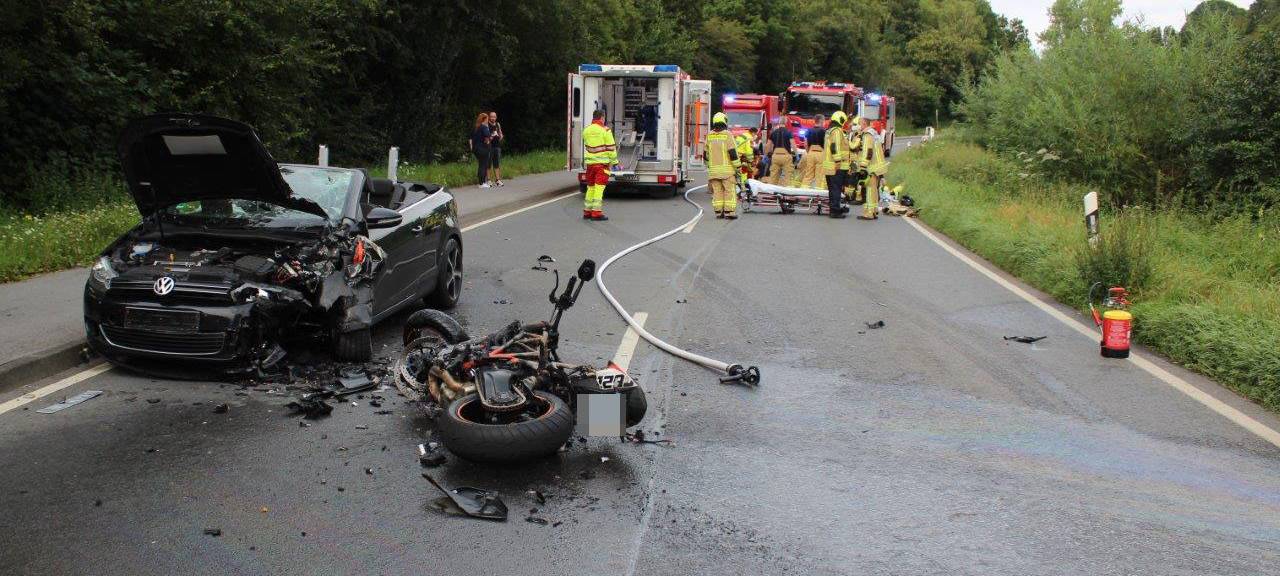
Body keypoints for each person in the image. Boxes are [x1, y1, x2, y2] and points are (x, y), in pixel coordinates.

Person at [581, 110, 617, 221]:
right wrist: (615, 162)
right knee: (599, 188)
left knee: (590, 188)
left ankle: (587, 212)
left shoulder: (586, 130)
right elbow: (611, 148)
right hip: (601, 165)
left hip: (590, 165)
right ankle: (596, 213)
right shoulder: (605, 130)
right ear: (602, 117)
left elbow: (587, 145)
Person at [705, 112, 739, 219]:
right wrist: (738, 167)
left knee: (717, 192)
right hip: (727, 172)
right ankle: (729, 212)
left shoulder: (709, 136)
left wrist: (709, 166)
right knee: (729, 191)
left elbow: (705, 155)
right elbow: (732, 153)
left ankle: (719, 212)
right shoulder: (727, 135)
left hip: (714, 172)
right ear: (724, 121)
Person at [855, 116, 888, 220]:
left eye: (860, 124)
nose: (859, 126)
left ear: (864, 124)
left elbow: (867, 151)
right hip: (877, 166)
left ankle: (868, 213)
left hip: (870, 167)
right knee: (873, 190)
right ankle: (873, 211)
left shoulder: (867, 135)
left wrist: (863, 167)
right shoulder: (874, 133)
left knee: (869, 190)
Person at [823, 110, 851, 218]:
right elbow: (835, 147)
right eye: (844, 120)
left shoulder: (829, 131)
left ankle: (833, 208)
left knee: (832, 189)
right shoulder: (837, 131)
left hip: (829, 166)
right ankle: (835, 210)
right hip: (836, 166)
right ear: (840, 119)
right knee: (836, 189)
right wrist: (838, 161)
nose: (845, 122)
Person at [795, 114, 825, 189]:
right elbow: (826, 144)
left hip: (811, 153)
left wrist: (809, 152)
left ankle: (804, 190)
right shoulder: (824, 131)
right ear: (821, 121)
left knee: (808, 175)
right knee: (819, 176)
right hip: (820, 154)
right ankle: (818, 194)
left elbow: (805, 144)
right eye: (823, 121)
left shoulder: (808, 131)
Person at [764, 120, 793, 185]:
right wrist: (796, 155)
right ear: (785, 123)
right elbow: (793, 144)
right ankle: (787, 190)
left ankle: (772, 190)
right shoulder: (789, 132)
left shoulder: (773, 133)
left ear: (779, 123)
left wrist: (765, 155)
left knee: (774, 175)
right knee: (787, 174)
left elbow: (768, 145)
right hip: (786, 156)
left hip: (775, 156)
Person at [470, 113, 492, 188]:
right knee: (484, 165)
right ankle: (482, 183)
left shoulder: (476, 127)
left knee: (481, 165)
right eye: (487, 119)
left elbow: (471, 138)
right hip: (483, 149)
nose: (488, 120)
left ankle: (481, 182)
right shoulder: (484, 127)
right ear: (484, 119)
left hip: (476, 149)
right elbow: (488, 135)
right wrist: (491, 136)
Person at [487, 112, 505, 186]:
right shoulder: (487, 125)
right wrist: (492, 135)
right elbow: (485, 137)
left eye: (494, 117)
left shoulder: (498, 124)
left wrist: (500, 136)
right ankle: (488, 180)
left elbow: (501, 134)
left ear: (496, 117)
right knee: (488, 164)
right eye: (491, 117)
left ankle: (497, 180)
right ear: (489, 117)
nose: (493, 118)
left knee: (496, 163)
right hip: (489, 146)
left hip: (497, 146)